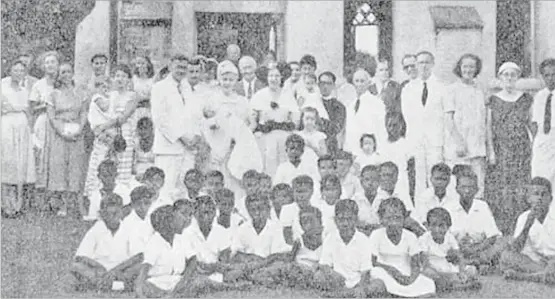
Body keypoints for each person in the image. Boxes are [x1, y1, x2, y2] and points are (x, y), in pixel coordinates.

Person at [486, 62, 534, 235]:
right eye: (506, 75)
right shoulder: (494, 99)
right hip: (502, 149)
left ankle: (521, 225)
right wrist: (491, 151)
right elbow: (489, 127)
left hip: (521, 148)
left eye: (513, 75)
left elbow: (530, 124)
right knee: (504, 186)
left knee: (520, 184)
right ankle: (505, 227)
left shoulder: (525, 99)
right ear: (500, 77)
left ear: (518, 78)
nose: (509, 78)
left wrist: (533, 146)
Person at [151, 54, 202, 198]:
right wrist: (182, 137)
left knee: (185, 192)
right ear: (170, 66)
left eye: (184, 68)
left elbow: (196, 114)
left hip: (188, 150)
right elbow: (160, 119)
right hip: (169, 149)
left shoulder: (188, 88)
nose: (181, 71)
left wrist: (196, 136)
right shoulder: (159, 88)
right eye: (178, 67)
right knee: (166, 191)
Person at [70, 194, 143, 292]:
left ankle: (99, 285)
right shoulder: (96, 229)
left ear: (122, 212)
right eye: (111, 214)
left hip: (121, 270)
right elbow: (81, 256)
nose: (114, 217)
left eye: (117, 213)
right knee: (76, 266)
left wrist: (115, 271)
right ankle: (118, 286)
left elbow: (138, 256)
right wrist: (99, 267)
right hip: (99, 271)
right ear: (102, 214)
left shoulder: (128, 228)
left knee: (140, 266)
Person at [315, 199, 387, 298]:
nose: (345, 224)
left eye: (349, 219)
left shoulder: (363, 240)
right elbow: (324, 264)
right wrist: (332, 273)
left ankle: (341, 295)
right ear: (335, 220)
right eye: (341, 219)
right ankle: (344, 294)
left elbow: (366, 271)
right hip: (338, 281)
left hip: (358, 280)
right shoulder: (330, 238)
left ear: (356, 220)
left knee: (379, 284)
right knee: (318, 276)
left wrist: (361, 287)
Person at [370, 197, 437, 297]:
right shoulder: (376, 235)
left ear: (404, 218)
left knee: (428, 283)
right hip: (385, 271)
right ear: (381, 219)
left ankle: (404, 294)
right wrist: (392, 270)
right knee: (376, 274)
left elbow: (415, 264)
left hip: (406, 273)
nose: (394, 222)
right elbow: (373, 261)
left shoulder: (410, 236)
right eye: (389, 218)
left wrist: (410, 279)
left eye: (398, 218)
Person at [444, 54, 490, 199]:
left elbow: (486, 120)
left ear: (476, 69)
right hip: (459, 147)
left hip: (477, 146)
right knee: (456, 186)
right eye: (465, 66)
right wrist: (459, 142)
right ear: (460, 68)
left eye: (472, 66)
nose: (468, 70)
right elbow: (448, 119)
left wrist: (488, 147)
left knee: (478, 186)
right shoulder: (452, 90)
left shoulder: (481, 90)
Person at [45, 63, 88, 217]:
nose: (65, 75)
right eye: (62, 72)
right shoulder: (53, 94)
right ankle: (61, 204)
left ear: (73, 73)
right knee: (60, 167)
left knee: (75, 166)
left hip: (76, 133)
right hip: (60, 133)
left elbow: (83, 112)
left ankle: (75, 203)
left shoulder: (80, 93)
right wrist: (61, 131)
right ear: (59, 75)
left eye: (68, 72)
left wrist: (80, 128)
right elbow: (51, 116)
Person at [401, 51, 446, 198]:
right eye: (420, 63)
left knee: (436, 176)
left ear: (433, 64)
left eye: (427, 62)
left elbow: (445, 115)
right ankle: (421, 213)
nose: (424, 66)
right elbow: (407, 116)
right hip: (416, 140)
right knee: (418, 179)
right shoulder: (408, 89)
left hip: (435, 140)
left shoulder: (442, 87)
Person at [444, 170, 508, 270]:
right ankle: (476, 264)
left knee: (502, 243)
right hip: (457, 249)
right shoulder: (448, 208)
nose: (467, 191)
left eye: (471, 187)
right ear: (457, 189)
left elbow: (492, 236)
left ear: (477, 190)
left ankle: (470, 263)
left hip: (479, 249)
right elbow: (444, 236)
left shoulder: (482, 206)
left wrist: (476, 249)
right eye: (463, 187)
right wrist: (459, 247)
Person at [178, 194, 239, 295]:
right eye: (202, 213)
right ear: (195, 214)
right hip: (197, 274)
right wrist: (213, 267)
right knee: (198, 281)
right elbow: (192, 264)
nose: (206, 217)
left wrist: (218, 267)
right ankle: (229, 287)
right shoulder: (187, 233)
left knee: (236, 271)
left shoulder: (221, 231)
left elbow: (224, 259)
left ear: (215, 213)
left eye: (209, 213)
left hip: (219, 273)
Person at [228, 193, 294, 285]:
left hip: (269, 267)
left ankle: (254, 280)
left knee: (278, 268)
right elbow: (236, 253)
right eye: (253, 210)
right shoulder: (242, 228)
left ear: (268, 209)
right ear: (248, 210)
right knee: (234, 271)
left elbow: (277, 255)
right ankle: (253, 279)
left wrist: (263, 262)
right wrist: (253, 258)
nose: (257, 213)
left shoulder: (276, 227)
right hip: (249, 265)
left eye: (260, 209)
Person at [500, 177, 555, 284]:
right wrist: (527, 226)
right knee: (506, 256)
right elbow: (516, 249)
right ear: (529, 198)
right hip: (538, 263)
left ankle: (523, 276)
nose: (539, 198)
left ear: (550, 199)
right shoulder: (524, 217)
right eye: (536, 194)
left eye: (543, 194)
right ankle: (545, 275)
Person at [134, 205, 196, 297]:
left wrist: (184, 280)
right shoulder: (155, 242)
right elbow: (145, 267)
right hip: (158, 281)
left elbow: (193, 259)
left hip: (178, 279)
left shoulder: (181, 238)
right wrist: (139, 286)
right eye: (177, 220)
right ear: (167, 224)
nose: (182, 222)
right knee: (147, 287)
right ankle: (170, 295)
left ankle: (173, 295)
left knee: (198, 281)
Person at [1, 60, 36, 217]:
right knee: (8, 162)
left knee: (21, 164)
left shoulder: (24, 90)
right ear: (10, 71)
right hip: (7, 126)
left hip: (22, 128)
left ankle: (18, 204)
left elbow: (28, 110)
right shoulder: (2, 86)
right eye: (15, 70)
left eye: (21, 71)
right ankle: (6, 204)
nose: (18, 73)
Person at [251, 64, 299, 175]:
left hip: (284, 135)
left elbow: (295, 117)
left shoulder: (288, 94)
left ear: (281, 77)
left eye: (277, 76)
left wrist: (289, 126)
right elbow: (253, 117)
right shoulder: (260, 95)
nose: (274, 79)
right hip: (265, 136)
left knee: (284, 163)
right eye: (271, 76)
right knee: (267, 164)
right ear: (266, 78)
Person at [419, 207, 481, 292]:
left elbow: (459, 257)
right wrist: (443, 275)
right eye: (433, 225)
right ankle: (460, 286)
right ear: (428, 226)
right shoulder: (424, 239)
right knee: (428, 275)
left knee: (471, 270)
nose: (437, 230)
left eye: (441, 226)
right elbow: (425, 263)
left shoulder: (449, 237)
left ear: (448, 227)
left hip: (445, 267)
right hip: (432, 268)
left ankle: (457, 284)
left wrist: (462, 272)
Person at [30, 51, 59, 201]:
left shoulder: (63, 82)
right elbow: (32, 108)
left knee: (56, 156)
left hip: (59, 122)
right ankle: (41, 195)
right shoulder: (38, 85)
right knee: (41, 156)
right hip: (44, 122)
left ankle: (55, 195)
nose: (50, 65)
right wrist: (45, 106)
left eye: (53, 62)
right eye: (47, 62)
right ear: (43, 66)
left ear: (58, 64)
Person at [344, 69, 387, 154]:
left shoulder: (376, 103)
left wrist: (379, 151)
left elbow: (382, 129)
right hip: (353, 150)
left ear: (368, 83)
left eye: (362, 81)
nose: (359, 84)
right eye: (356, 81)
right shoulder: (351, 105)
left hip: (369, 150)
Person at [531, 59, 555, 188]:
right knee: (540, 175)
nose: (551, 78)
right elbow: (535, 122)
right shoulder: (540, 96)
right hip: (542, 140)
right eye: (547, 75)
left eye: (554, 74)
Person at [380, 111, 412, 200]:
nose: (392, 129)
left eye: (395, 125)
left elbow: (411, 172)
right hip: (385, 185)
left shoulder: (406, 145)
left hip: (402, 185)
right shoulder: (381, 145)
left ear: (401, 126)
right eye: (389, 125)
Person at [120, 186, 156, 257]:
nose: (143, 207)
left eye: (146, 203)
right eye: (139, 204)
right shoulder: (127, 223)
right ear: (133, 205)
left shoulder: (154, 218)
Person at [281, 175, 316, 244]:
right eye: (298, 192)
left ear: (312, 191)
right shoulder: (287, 209)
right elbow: (287, 236)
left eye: (304, 192)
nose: (301, 196)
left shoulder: (317, 208)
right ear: (292, 192)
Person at [318, 71, 346, 155]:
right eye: (322, 83)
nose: (325, 86)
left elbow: (336, 127)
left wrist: (319, 121)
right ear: (318, 85)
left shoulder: (338, 106)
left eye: (328, 83)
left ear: (333, 86)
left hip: (330, 145)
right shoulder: (312, 102)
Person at [355, 165, 382, 236]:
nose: (370, 183)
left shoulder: (385, 199)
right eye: (367, 179)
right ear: (361, 181)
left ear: (379, 181)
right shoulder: (355, 200)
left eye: (374, 180)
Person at [131, 54, 155, 127]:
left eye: (143, 63)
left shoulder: (152, 80)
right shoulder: (133, 79)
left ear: (148, 64)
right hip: (136, 109)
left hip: (149, 108)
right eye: (138, 63)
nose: (141, 65)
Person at [132, 117, 155, 183]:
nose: (143, 131)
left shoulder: (157, 143)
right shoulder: (135, 142)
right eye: (141, 129)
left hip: (153, 177)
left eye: (145, 128)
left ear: (151, 129)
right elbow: (131, 164)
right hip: (137, 176)